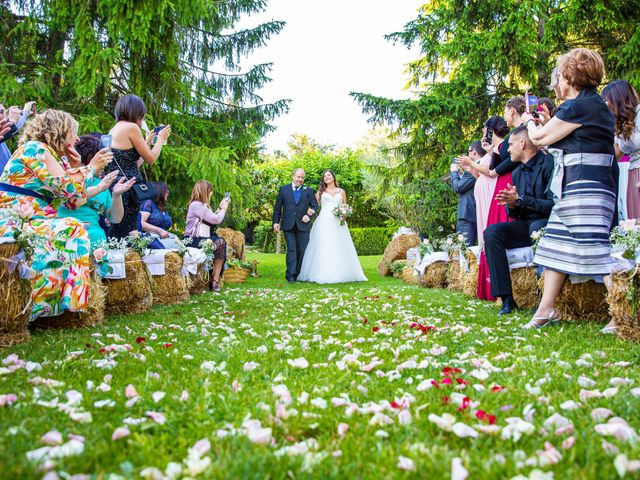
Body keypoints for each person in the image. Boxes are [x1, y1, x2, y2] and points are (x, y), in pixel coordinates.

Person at [523, 48, 616, 329]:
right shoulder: (590, 105)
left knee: (595, 246)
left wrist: (528, 121)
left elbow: (538, 138)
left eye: (560, 75)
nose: (556, 83)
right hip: (581, 185)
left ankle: (621, 314)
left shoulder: (581, 106)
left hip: (586, 186)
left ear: (570, 75)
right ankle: (546, 310)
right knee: (554, 244)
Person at [0, 109, 112, 319]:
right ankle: (56, 306)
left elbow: (74, 201)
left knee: (74, 227)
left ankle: (61, 305)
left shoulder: (52, 157)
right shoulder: (36, 149)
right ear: (60, 131)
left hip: (32, 218)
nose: (77, 139)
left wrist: (76, 166)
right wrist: (90, 168)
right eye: (73, 133)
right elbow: (67, 187)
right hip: (13, 219)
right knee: (72, 229)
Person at [483, 125, 555, 315]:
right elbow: (515, 213)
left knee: (537, 227)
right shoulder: (516, 173)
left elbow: (553, 204)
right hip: (525, 224)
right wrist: (512, 205)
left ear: (522, 144)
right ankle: (506, 299)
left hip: (547, 222)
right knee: (491, 232)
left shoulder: (549, 164)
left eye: (511, 144)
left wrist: (521, 201)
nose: (507, 149)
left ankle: (544, 298)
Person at [460, 116, 514, 300]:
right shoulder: (494, 150)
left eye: (485, 130)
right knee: (487, 232)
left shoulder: (504, 148)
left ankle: (496, 285)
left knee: (491, 232)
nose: (483, 134)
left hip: (496, 191)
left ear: (490, 131)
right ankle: (489, 283)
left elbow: (492, 172)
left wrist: (472, 162)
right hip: (487, 195)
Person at [106, 94, 171, 238]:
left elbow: (134, 163)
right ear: (137, 113)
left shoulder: (115, 129)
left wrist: (146, 142)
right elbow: (151, 159)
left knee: (121, 232)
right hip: (128, 189)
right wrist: (160, 139)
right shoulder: (131, 127)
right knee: (127, 234)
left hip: (120, 187)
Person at [58, 135, 135, 246]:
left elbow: (115, 218)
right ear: (92, 158)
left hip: (95, 237)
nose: (105, 165)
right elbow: (70, 196)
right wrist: (98, 189)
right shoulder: (69, 177)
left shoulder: (102, 183)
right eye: (103, 160)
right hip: (67, 234)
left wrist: (116, 195)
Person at [297, 169, 367, 284]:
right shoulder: (320, 192)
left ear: (333, 177)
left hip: (338, 222)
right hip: (323, 221)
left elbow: (344, 206)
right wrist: (308, 211)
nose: (327, 177)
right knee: (324, 245)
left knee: (339, 246)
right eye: (325, 176)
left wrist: (344, 214)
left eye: (328, 175)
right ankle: (322, 271)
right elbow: (314, 206)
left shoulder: (341, 191)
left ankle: (341, 272)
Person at [602, 80, 640, 221]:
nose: (605, 105)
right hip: (633, 173)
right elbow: (615, 154)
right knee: (635, 222)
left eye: (606, 100)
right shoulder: (621, 122)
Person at [272, 168, 319, 282]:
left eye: (302, 177)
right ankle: (291, 275)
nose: (300, 179)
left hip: (303, 225)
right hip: (288, 224)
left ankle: (299, 274)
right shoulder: (284, 190)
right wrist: (276, 222)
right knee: (292, 249)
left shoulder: (309, 191)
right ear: (293, 176)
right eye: (298, 177)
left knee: (302, 250)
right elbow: (277, 208)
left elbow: (315, 207)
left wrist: (309, 216)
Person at [184, 180, 230, 291]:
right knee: (220, 242)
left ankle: (215, 280)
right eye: (210, 192)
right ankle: (214, 281)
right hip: (193, 239)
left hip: (203, 238)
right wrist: (224, 208)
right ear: (205, 191)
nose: (211, 194)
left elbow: (211, 217)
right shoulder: (195, 205)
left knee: (221, 243)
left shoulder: (203, 206)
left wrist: (219, 207)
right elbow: (216, 219)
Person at [451, 141, 485, 246]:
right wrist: (461, 174)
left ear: (474, 152)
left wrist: (454, 172)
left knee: (465, 249)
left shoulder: (476, 166)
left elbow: (458, 187)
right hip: (474, 214)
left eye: (469, 151)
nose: (468, 154)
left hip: (467, 215)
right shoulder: (479, 166)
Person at [138, 182, 174, 249]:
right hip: (151, 242)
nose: (168, 192)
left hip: (163, 240)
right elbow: (140, 223)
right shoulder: (148, 203)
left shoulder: (162, 207)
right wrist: (159, 230)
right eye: (165, 190)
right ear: (159, 191)